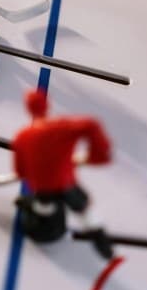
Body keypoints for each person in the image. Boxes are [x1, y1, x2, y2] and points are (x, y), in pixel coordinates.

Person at [11, 88, 114, 259]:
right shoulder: (62, 128)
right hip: (66, 183)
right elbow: (91, 124)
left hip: (43, 187)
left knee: (44, 206)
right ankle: (101, 241)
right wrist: (98, 155)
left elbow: (20, 170)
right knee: (83, 209)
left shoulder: (23, 136)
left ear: (28, 108)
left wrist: (28, 174)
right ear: (47, 106)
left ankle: (34, 208)